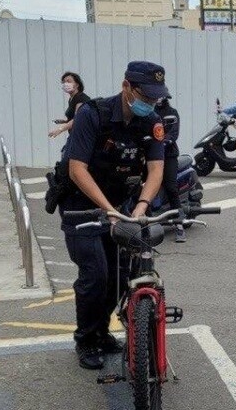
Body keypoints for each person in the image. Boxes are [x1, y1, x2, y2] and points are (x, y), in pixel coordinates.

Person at [60, 61, 167, 369]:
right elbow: (76, 168)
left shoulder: (152, 122)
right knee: (95, 274)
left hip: (120, 206)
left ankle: (102, 330)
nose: (150, 104)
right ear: (126, 87)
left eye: (155, 99)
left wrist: (141, 206)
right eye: (145, 97)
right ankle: (86, 339)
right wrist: (108, 210)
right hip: (81, 204)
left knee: (121, 273)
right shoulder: (92, 114)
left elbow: (156, 169)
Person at [155, 97, 187, 243]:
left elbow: (173, 134)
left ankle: (179, 224)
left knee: (170, 187)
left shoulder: (171, 113)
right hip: (150, 155)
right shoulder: (147, 112)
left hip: (168, 154)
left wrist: (163, 141)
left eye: (160, 95)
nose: (157, 98)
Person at [49, 71, 90, 139]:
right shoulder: (72, 99)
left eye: (69, 81)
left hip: (83, 136)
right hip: (76, 135)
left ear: (77, 85)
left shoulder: (81, 98)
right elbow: (74, 117)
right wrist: (65, 121)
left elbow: (78, 119)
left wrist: (60, 129)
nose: (66, 84)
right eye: (64, 82)